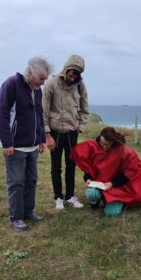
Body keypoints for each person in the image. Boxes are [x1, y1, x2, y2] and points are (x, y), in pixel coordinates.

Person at [0, 56, 52, 231]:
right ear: (32, 73)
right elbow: (1, 114)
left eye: (45, 79)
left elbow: (39, 116)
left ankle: (29, 212)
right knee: (16, 182)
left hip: (33, 146)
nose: (43, 83)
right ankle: (16, 217)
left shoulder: (37, 90)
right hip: (15, 146)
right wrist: (7, 142)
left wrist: (42, 139)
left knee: (31, 180)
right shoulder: (11, 84)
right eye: (41, 78)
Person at [70, 127, 141, 216]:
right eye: (102, 143)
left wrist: (112, 183)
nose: (104, 146)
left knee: (111, 213)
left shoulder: (123, 152)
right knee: (92, 193)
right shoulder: (94, 147)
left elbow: (129, 173)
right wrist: (88, 179)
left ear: (113, 142)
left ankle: (118, 201)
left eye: (107, 145)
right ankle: (95, 201)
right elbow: (89, 168)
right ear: (100, 138)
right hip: (100, 184)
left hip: (117, 187)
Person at [42, 55, 89, 210]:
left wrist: (80, 126)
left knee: (71, 165)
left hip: (71, 132)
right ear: (66, 69)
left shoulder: (80, 85)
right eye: (72, 72)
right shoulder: (51, 84)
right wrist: (47, 134)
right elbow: (43, 110)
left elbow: (85, 108)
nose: (73, 76)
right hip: (54, 132)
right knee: (56, 166)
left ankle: (69, 196)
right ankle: (58, 198)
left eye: (77, 73)